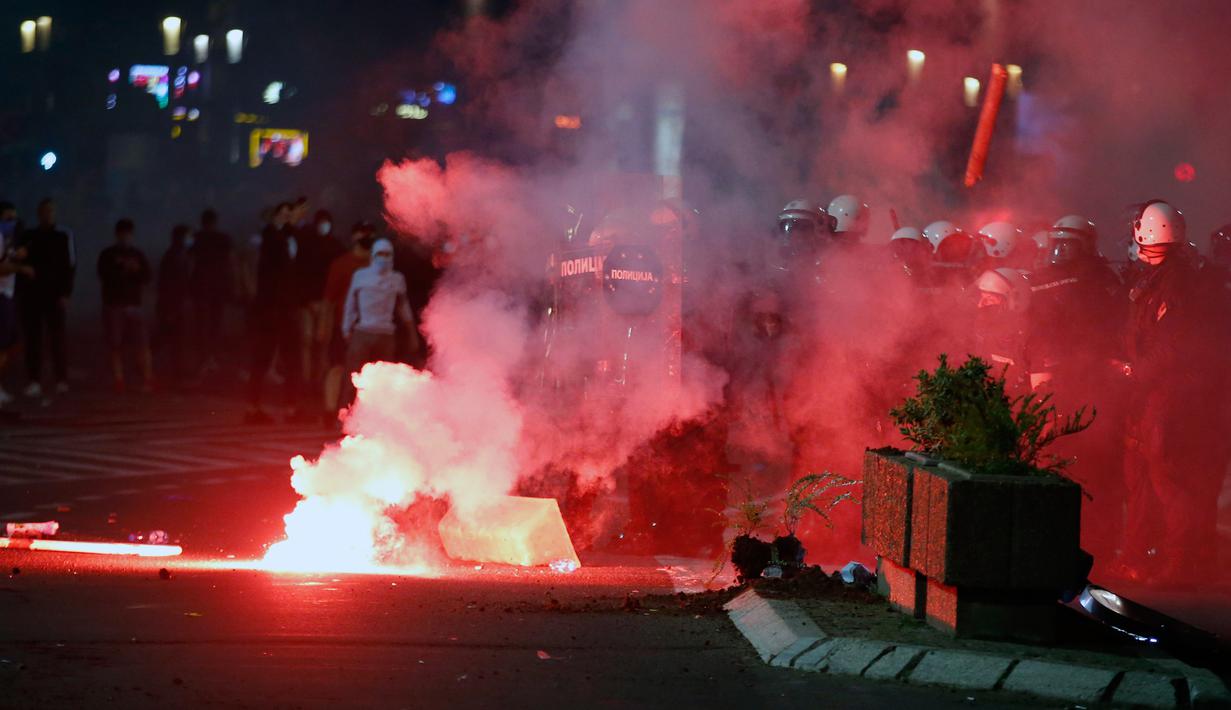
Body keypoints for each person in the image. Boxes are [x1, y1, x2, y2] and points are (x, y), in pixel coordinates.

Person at [1121, 201, 1229, 583]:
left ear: (1144, 232)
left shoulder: (1174, 283)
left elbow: (1169, 347)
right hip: (1167, 393)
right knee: (1163, 480)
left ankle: (1180, 565)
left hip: (1169, 395)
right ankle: (1172, 559)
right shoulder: (1168, 276)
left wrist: (1135, 373)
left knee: (1172, 480)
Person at [339, 238, 412, 411]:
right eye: (380, 254)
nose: (384, 258)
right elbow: (350, 304)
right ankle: (345, 414)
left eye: (387, 254)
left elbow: (403, 307)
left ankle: (379, 417)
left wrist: (412, 333)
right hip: (363, 331)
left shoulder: (397, 279)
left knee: (384, 381)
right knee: (353, 376)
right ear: (373, 255)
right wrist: (346, 328)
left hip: (386, 334)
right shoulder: (361, 275)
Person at [246, 202, 303, 423]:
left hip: (285, 307)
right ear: (275, 216)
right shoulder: (271, 236)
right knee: (263, 358)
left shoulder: (288, 237)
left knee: (290, 359)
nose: (288, 217)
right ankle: (253, 409)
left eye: (290, 214)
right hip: (272, 309)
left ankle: (290, 409)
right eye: (284, 214)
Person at [16, 198, 75, 397]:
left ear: (54, 213)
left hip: (55, 296)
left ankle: (61, 380)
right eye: (44, 211)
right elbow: (20, 263)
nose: (48, 214)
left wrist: (65, 293)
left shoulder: (63, 236)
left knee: (57, 338)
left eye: (51, 211)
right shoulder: (29, 236)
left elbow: (69, 267)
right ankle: (34, 381)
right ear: (39, 213)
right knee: (33, 339)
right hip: (32, 296)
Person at [321, 223, 374, 424]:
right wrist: (324, 326)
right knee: (337, 367)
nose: (366, 237)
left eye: (369, 233)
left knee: (365, 370)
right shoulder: (341, 264)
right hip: (343, 325)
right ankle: (329, 410)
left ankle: (359, 414)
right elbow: (329, 300)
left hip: (369, 327)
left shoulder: (377, 264)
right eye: (362, 233)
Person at [97, 218, 154, 392]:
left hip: (134, 304)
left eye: (128, 234)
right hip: (114, 305)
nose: (125, 237)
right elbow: (102, 274)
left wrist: (136, 269)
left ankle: (147, 379)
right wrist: (119, 267)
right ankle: (119, 379)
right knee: (115, 344)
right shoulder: (108, 254)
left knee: (142, 344)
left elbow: (147, 276)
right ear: (117, 235)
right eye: (123, 234)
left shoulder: (137, 254)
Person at [297, 209, 345, 393]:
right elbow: (300, 274)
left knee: (323, 342)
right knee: (307, 341)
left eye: (326, 221)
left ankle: (318, 381)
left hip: (327, 303)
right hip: (309, 301)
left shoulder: (336, 246)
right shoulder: (307, 245)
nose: (323, 225)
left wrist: (330, 302)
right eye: (321, 221)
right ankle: (306, 380)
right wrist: (305, 300)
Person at [189, 208, 234, 376]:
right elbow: (230, 262)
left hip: (201, 286)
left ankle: (204, 358)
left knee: (201, 325)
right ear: (215, 222)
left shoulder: (196, 238)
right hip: (218, 286)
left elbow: (189, 261)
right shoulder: (224, 238)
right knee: (216, 323)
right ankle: (213, 357)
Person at [155, 225, 194, 386]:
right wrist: (170, 308)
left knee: (172, 338)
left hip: (175, 304)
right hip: (172, 305)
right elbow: (169, 284)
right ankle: (175, 373)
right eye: (189, 236)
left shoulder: (179, 255)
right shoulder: (174, 256)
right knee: (172, 338)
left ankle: (176, 372)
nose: (191, 239)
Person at [0, 201, 30, 405]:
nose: (12, 221)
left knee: (11, 343)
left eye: (14, 218)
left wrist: (19, 256)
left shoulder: (10, 240)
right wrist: (21, 268)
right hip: (1, 295)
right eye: (8, 217)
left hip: (8, 294)